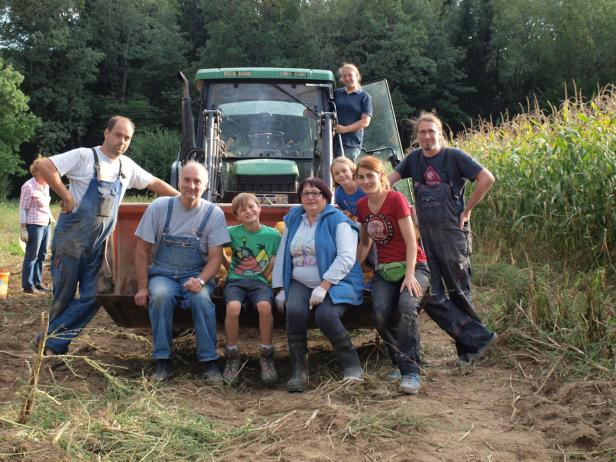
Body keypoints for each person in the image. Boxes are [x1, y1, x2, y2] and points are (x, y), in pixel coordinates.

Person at [33, 116, 179, 356]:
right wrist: (66, 196)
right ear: (106, 133)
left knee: (95, 296)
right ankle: (52, 349)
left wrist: (184, 200)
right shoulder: (83, 156)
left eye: (127, 138)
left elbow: (153, 182)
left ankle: (47, 340)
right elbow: (44, 165)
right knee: (63, 297)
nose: (122, 141)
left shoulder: (126, 167)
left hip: (99, 247)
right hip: (71, 242)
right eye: (118, 135)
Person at [388, 111, 497, 365]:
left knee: (459, 292)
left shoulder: (453, 156)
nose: (426, 137)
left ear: (440, 134)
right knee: (431, 297)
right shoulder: (413, 160)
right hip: (426, 238)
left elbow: (486, 178)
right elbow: (386, 182)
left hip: (452, 235)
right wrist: (405, 206)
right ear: (417, 137)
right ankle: (480, 339)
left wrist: (467, 209)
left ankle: (469, 351)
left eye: (431, 132)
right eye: (422, 133)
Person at [134, 161, 229, 382]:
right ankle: (163, 361)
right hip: (163, 274)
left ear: (205, 186)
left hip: (196, 273)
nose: (191, 186)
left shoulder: (213, 214)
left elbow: (215, 258)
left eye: (197, 181)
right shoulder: (160, 207)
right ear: (179, 181)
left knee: (202, 301)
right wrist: (141, 287)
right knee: (159, 296)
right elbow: (141, 250)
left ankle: (209, 362)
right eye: (187, 180)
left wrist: (202, 281)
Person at [272, 177, 365, 393]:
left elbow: (346, 258)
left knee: (326, 316)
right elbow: (283, 253)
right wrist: (280, 289)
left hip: (337, 282)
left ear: (326, 197)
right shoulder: (295, 219)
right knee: (294, 311)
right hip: (300, 281)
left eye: (316, 193)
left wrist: (323, 286)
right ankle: (298, 371)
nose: (311, 197)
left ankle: (351, 365)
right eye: (305, 193)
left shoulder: (338, 221)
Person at [356, 156, 430, 394]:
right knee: (378, 314)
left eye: (371, 175)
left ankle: (411, 373)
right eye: (361, 177)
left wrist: (409, 276)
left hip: (414, 266)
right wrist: (355, 267)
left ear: (381, 176)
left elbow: (411, 241)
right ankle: (400, 361)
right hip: (385, 269)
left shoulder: (396, 199)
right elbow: (366, 241)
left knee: (407, 308)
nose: (366, 180)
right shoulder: (362, 206)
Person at [222, 193, 281, 385]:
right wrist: (227, 262)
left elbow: (273, 257)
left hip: (259, 282)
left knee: (265, 306)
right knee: (233, 308)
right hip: (235, 281)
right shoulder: (231, 232)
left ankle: (266, 354)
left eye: (251, 207)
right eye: (242, 210)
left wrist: (265, 276)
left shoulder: (273, 235)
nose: (248, 211)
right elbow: (216, 247)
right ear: (237, 216)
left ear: (259, 208)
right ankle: (231, 355)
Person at [19, 157, 55, 294]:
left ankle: (38, 282)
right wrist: (23, 228)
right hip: (34, 225)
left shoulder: (46, 185)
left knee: (42, 255)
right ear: (37, 171)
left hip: (46, 223)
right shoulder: (28, 186)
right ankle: (28, 286)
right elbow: (23, 208)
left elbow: (45, 205)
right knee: (32, 255)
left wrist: (51, 217)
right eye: (45, 170)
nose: (48, 173)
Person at [333, 63, 373, 161]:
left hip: (350, 144)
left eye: (350, 75)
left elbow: (365, 122)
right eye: (344, 76)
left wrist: (344, 129)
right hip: (331, 141)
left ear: (356, 76)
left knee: (346, 173)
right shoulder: (336, 93)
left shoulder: (364, 97)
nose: (347, 78)